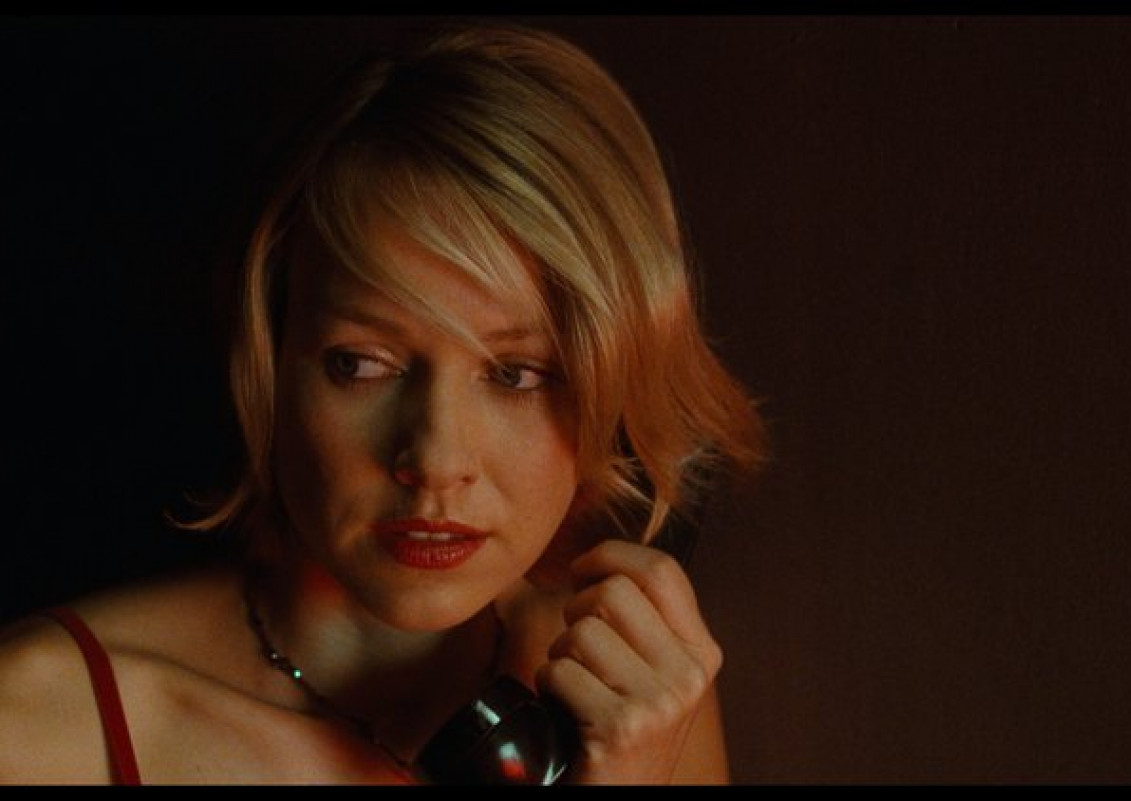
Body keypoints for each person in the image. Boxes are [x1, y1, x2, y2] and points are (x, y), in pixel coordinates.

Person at [0, 21, 764, 785]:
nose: (434, 459)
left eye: (518, 374)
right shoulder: (32, 727)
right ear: (269, 362)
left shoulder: (636, 705)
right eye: (361, 363)